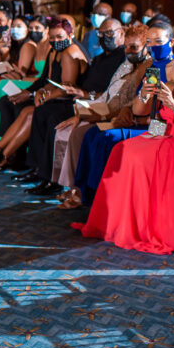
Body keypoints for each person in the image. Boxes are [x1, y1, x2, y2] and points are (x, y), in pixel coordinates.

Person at [72, 33, 174, 254]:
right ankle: (120, 222)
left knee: (137, 156)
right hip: (163, 133)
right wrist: (145, 95)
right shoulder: (173, 83)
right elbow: (141, 112)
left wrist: (173, 106)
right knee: (122, 149)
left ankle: (144, 226)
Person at [21, 17, 127, 195]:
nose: (104, 38)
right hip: (82, 99)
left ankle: (51, 178)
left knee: (52, 116)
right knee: (42, 111)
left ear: (121, 34)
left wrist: (84, 95)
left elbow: (109, 95)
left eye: (109, 33)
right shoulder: (100, 58)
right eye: (101, 34)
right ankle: (39, 168)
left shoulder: (122, 59)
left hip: (98, 104)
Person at [52, 24, 151, 209]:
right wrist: (88, 109)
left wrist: (130, 114)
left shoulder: (154, 69)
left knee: (91, 135)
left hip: (145, 123)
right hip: (124, 114)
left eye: (134, 47)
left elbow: (143, 106)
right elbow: (114, 96)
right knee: (83, 132)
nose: (128, 51)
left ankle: (87, 192)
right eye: (127, 47)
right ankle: (79, 188)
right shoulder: (131, 65)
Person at [0, 18, 83, 169]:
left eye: (60, 37)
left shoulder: (70, 53)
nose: (55, 41)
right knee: (9, 102)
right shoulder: (54, 51)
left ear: (70, 34)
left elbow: (66, 90)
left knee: (30, 112)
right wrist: (33, 92)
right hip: (55, 96)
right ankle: (3, 152)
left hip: (70, 101)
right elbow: (47, 80)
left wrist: (34, 95)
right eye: (52, 38)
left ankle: (3, 155)